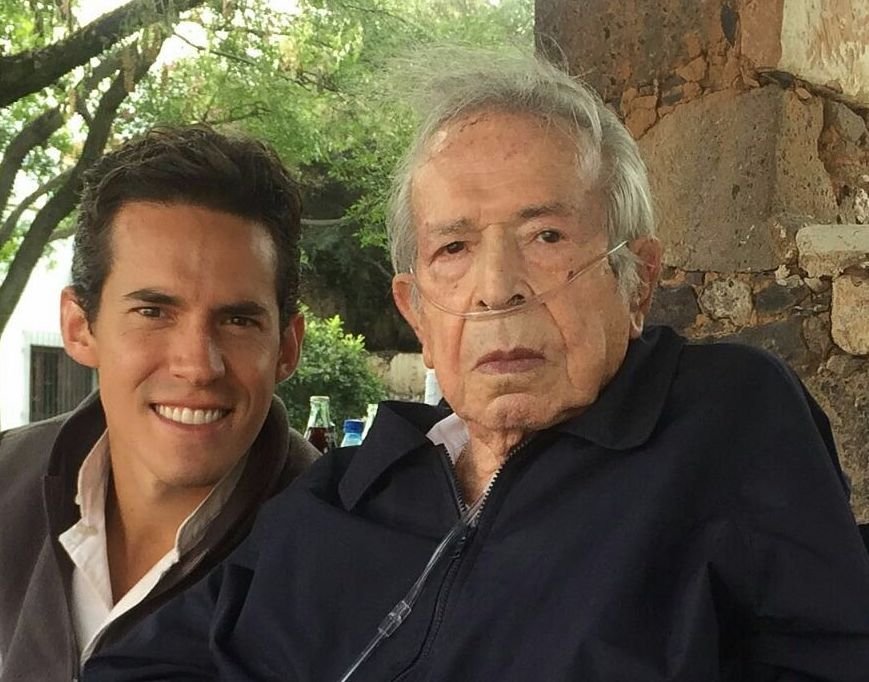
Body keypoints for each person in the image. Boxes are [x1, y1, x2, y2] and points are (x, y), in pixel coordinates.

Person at [85, 47, 869, 681]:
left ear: (637, 281)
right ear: (416, 312)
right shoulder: (345, 491)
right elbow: (135, 666)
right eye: (453, 248)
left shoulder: (720, 420)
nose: (497, 287)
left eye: (545, 236)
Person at [0, 125, 319, 680]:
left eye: (238, 320)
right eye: (153, 312)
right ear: (79, 327)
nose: (198, 365)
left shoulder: (345, 558)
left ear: (286, 348)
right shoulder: (7, 485)